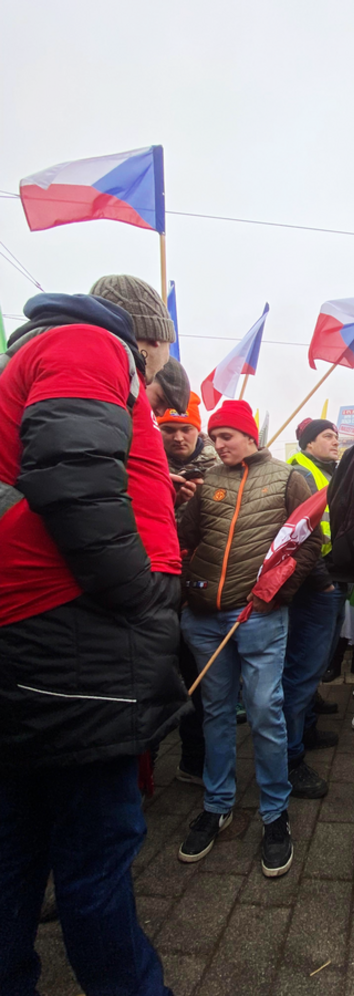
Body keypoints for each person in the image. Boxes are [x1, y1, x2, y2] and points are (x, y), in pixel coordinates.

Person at [0, 277, 189, 996]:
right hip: (75, 635)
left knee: (19, 842)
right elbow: (72, 478)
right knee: (95, 856)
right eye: (164, 351)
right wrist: (137, 591)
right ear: (149, 337)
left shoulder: (54, 349)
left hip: (43, 630)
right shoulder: (91, 343)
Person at [176, 401, 322, 878]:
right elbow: (185, 537)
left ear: (250, 435)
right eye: (214, 436)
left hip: (258, 616)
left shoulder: (286, 477)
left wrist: (272, 599)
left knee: (264, 711)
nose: (219, 444)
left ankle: (275, 814)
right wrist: (187, 586)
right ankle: (217, 805)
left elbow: (307, 543)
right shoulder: (209, 481)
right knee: (215, 712)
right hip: (204, 619)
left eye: (228, 435)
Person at [157, 391, 220, 785]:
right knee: (158, 677)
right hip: (158, 592)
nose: (178, 437)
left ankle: (194, 761)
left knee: (202, 681)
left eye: (186, 429)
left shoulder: (221, 470)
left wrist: (202, 504)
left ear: (199, 430)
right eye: (169, 429)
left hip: (201, 593)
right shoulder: (143, 466)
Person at [283, 418, 346, 799]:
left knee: (314, 666)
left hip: (329, 579)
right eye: (327, 436)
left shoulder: (325, 473)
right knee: (302, 671)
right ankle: (290, 759)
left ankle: (304, 729)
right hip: (315, 584)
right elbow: (301, 534)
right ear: (307, 443)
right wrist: (322, 578)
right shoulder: (302, 473)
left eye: (337, 435)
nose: (335, 441)